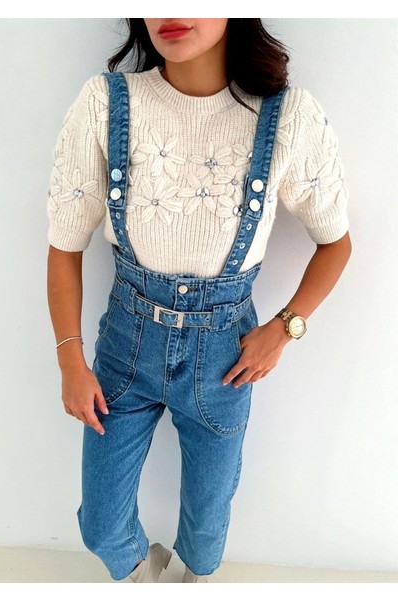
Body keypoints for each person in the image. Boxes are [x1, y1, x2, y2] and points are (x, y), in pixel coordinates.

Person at [46, 18, 352, 583]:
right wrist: (70, 359)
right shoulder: (106, 104)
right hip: (125, 349)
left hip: (225, 358)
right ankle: (144, 576)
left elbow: (336, 243)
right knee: (101, 527)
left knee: (208, 533)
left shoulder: (287, 116)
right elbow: (64, 246)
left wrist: (285, 328)